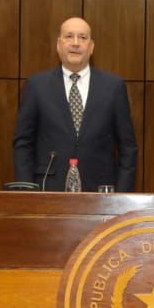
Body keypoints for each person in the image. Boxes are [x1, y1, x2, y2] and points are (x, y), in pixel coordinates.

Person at [13, 17, 138, 191]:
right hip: (47, 190)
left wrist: (122, 196)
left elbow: (128, 147)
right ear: (58, 45)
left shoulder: (113, 87)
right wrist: (26, 192)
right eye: (69, 36)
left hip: (101, 192)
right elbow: (23, 143)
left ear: (91, 47)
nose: (75, 43)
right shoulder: (36, 85)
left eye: (83, 37)